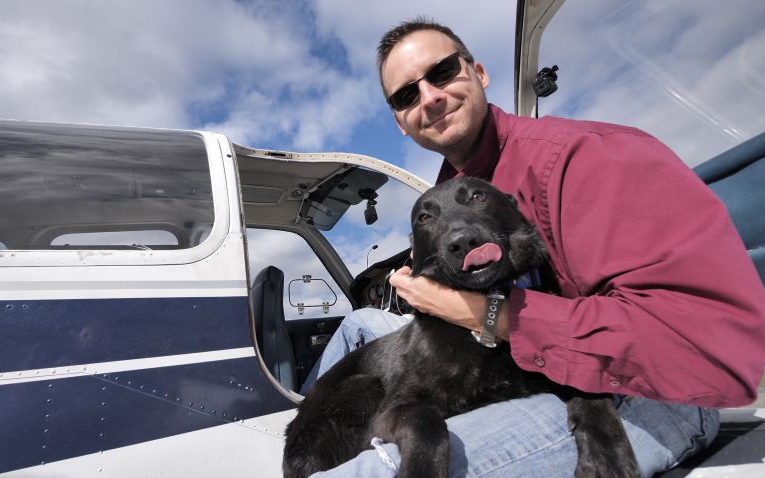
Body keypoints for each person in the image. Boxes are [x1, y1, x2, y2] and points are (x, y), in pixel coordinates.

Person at [301, 18, 765, 477]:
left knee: (372, 472)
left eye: (442, 72)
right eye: (406, 95)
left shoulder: (583, 156)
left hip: (652, 389)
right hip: (532, 357)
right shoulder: (456, 189)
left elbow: (708, 350)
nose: (429, 97)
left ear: (478, 73)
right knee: (360, 323)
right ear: (401, 121)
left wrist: (478, 312)